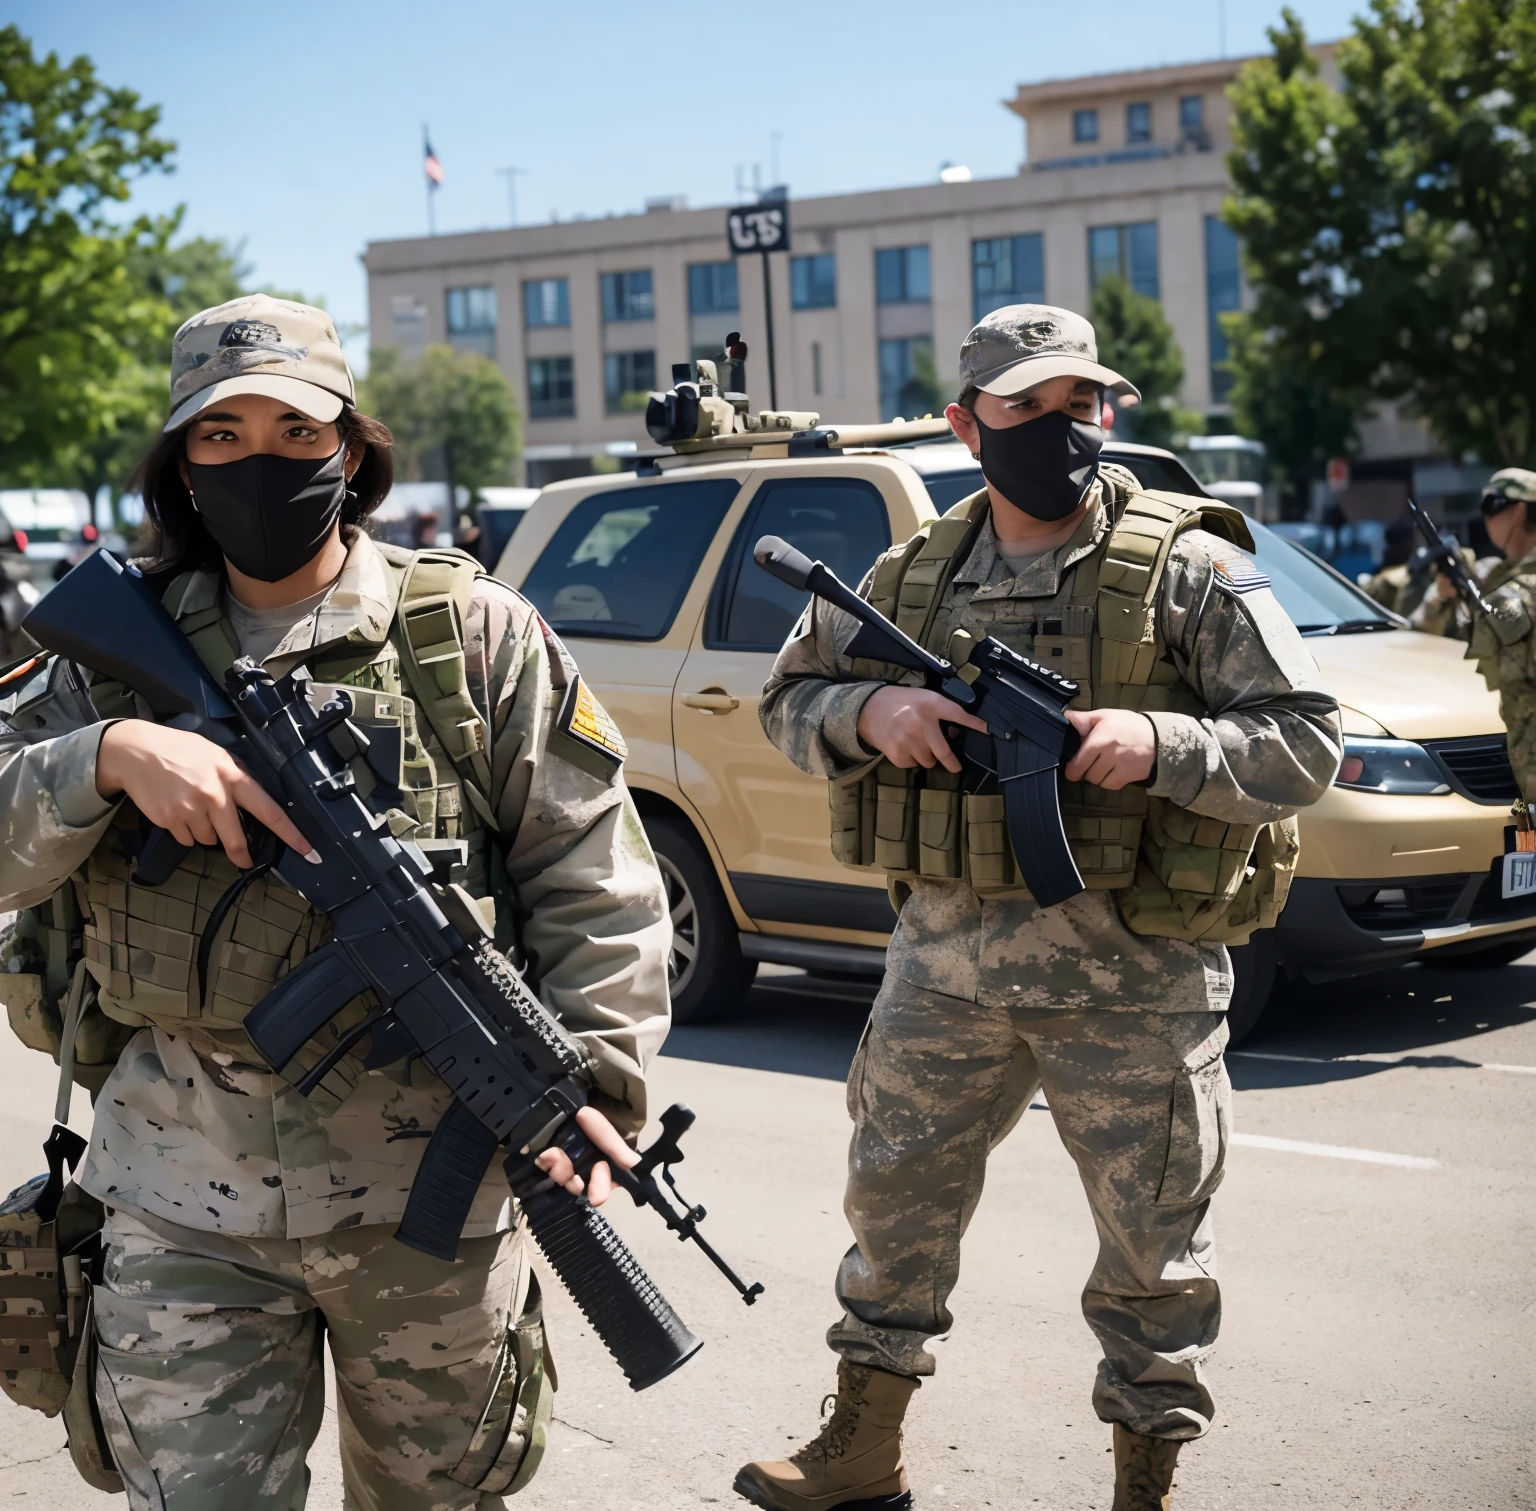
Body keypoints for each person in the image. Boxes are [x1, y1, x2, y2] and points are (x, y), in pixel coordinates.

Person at [0, 295, 670, 1510]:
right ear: (181, 465)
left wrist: (599, 1081)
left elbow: (598, 883)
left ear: (349, 450)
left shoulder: (470, 636)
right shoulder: (106, 658)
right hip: (179, 1203)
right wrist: (104, 760)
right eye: (222, 436)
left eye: (295, 433)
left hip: (432, 1216)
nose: (262, 460)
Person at [737, 305, 1341, 1511]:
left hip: (1137, 979)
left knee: (1153, 1254)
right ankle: (863, 1448)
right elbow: (786, 700)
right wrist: (871, 717)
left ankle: (1145, 1485)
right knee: (892, 1210)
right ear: (969, 426)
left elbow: (1306, 743)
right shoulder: (905, 576)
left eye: (1083, 404)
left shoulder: (1191, 568)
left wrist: (1158, 741)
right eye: (1029, 406)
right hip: (944, 970)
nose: (1065, 428)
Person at [1461, 467, 1536, 799]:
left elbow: (1493, 667)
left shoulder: (1516, 594)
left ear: (1519, 509)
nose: (1486, 519)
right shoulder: (1501, 581)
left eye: (1492, 506)